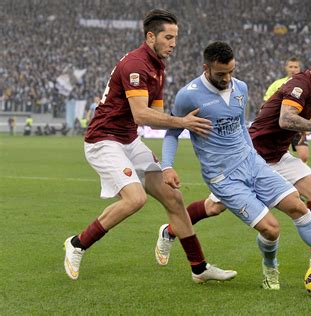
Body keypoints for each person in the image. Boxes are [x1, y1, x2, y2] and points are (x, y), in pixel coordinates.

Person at [159, 42, 311, 290]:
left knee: (303, 203)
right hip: (225, 174)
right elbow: (172, 132)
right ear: (206, 68)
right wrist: (167, 166)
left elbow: (240, 127)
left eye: (231, 72)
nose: (227, 79)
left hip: (257, 160)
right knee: (247, 219)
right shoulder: (189, 95)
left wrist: (255, 155)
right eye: (220, 74)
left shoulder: (241, 88)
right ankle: (173, 231)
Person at [63, 9, 236, 283]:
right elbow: (141, 114)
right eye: (168, 37)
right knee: (135, 199)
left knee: (174, 198)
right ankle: (77, 243)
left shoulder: (158, 66)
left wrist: (165, 162)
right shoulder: (136, 64)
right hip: (103, 140)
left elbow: (156, 116)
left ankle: (199, 268)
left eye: (175, 37)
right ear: (151, 36)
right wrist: (182, 122)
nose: (173, 43)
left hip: (129, 140)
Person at [263, 57, 310, 163]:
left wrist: (307, 124)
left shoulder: (306, 85)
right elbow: (266, 105)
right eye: (290, 66)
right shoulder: (276, 84)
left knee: (304, 155)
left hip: (297, 126)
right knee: (281, 156)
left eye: (295, 67)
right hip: (279, 126)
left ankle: (299, 174)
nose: (293, 69)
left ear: (299, 69)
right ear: (286, 68)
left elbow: (310, 107)